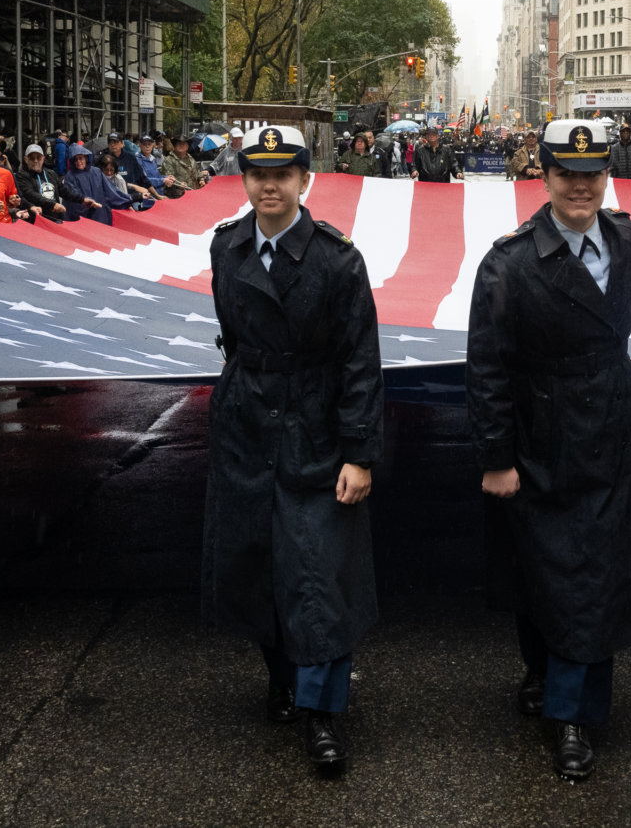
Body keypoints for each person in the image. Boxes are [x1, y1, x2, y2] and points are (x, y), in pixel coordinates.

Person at [466, 119, 631, 782]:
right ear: (543, 176)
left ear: (605, 175)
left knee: (596, 576)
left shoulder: (626, 238)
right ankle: (562, 705)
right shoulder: (509, 263)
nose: (580, 185)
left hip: (614, 433)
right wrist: (496, 456)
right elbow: (486, 367)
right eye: (567, 173)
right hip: (545, 440)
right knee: (555, 578)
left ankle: (572, 707)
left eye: (592, 172)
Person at [204, 125, 382, 775]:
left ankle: (322, 712)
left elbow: (361, 362)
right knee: (255, 566)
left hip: (316, 430)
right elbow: (233, 335)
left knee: (318, 575)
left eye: (284, 174)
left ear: (306, 179)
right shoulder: (226, 246)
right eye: (258, 173)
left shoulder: (337, 260)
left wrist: (360, 453)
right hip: (248, 428)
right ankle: (282, 677)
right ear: (245, 178)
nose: (270, 185)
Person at [61, 144, 124, 223]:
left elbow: (111, 190)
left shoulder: (97, 171)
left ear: (86, 158)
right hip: (81, 219)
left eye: (80, 158)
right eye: (75, 160)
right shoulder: (70, 176)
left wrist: (129, 200)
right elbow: (73, 197)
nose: (78, 162)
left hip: (100, 215)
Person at [15, 144, 74, 223]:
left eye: (38, 157)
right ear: (26, 159)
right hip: (34, 220)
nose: (35, 161)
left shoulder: (51, 174)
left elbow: (64, 192)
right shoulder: (21, 176)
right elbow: (31, 195)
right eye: (32, 158)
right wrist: (52, 204)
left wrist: (82, 200)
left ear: (43, 158)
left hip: (55, 219)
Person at [135, 134, 183, 198]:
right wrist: (163, 180)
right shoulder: (137, 160)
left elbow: (156, 176)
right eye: (144, 144)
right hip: (147, 197)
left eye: (149, 144)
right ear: (140, 146)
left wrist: (167, 177)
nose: (147, 146)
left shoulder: (153, 158)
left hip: (158, 194)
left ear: (153, 145)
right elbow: (143, 181)